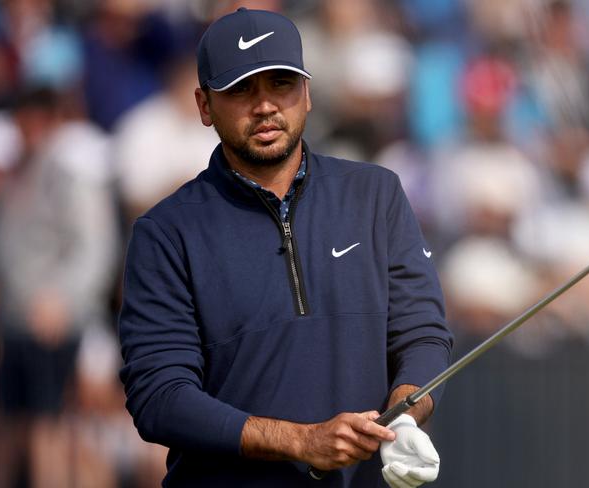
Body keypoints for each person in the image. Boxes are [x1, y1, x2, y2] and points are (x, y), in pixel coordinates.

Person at [118, 8, 453, 487]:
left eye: (281, 84)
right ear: (204, 105)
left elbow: (422, 334)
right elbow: (160, 397)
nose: (265, 106)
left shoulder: (375, 194)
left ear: (308, 93)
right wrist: (300, 441)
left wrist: (404, 413)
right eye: (240, 89)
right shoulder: (166, 232)